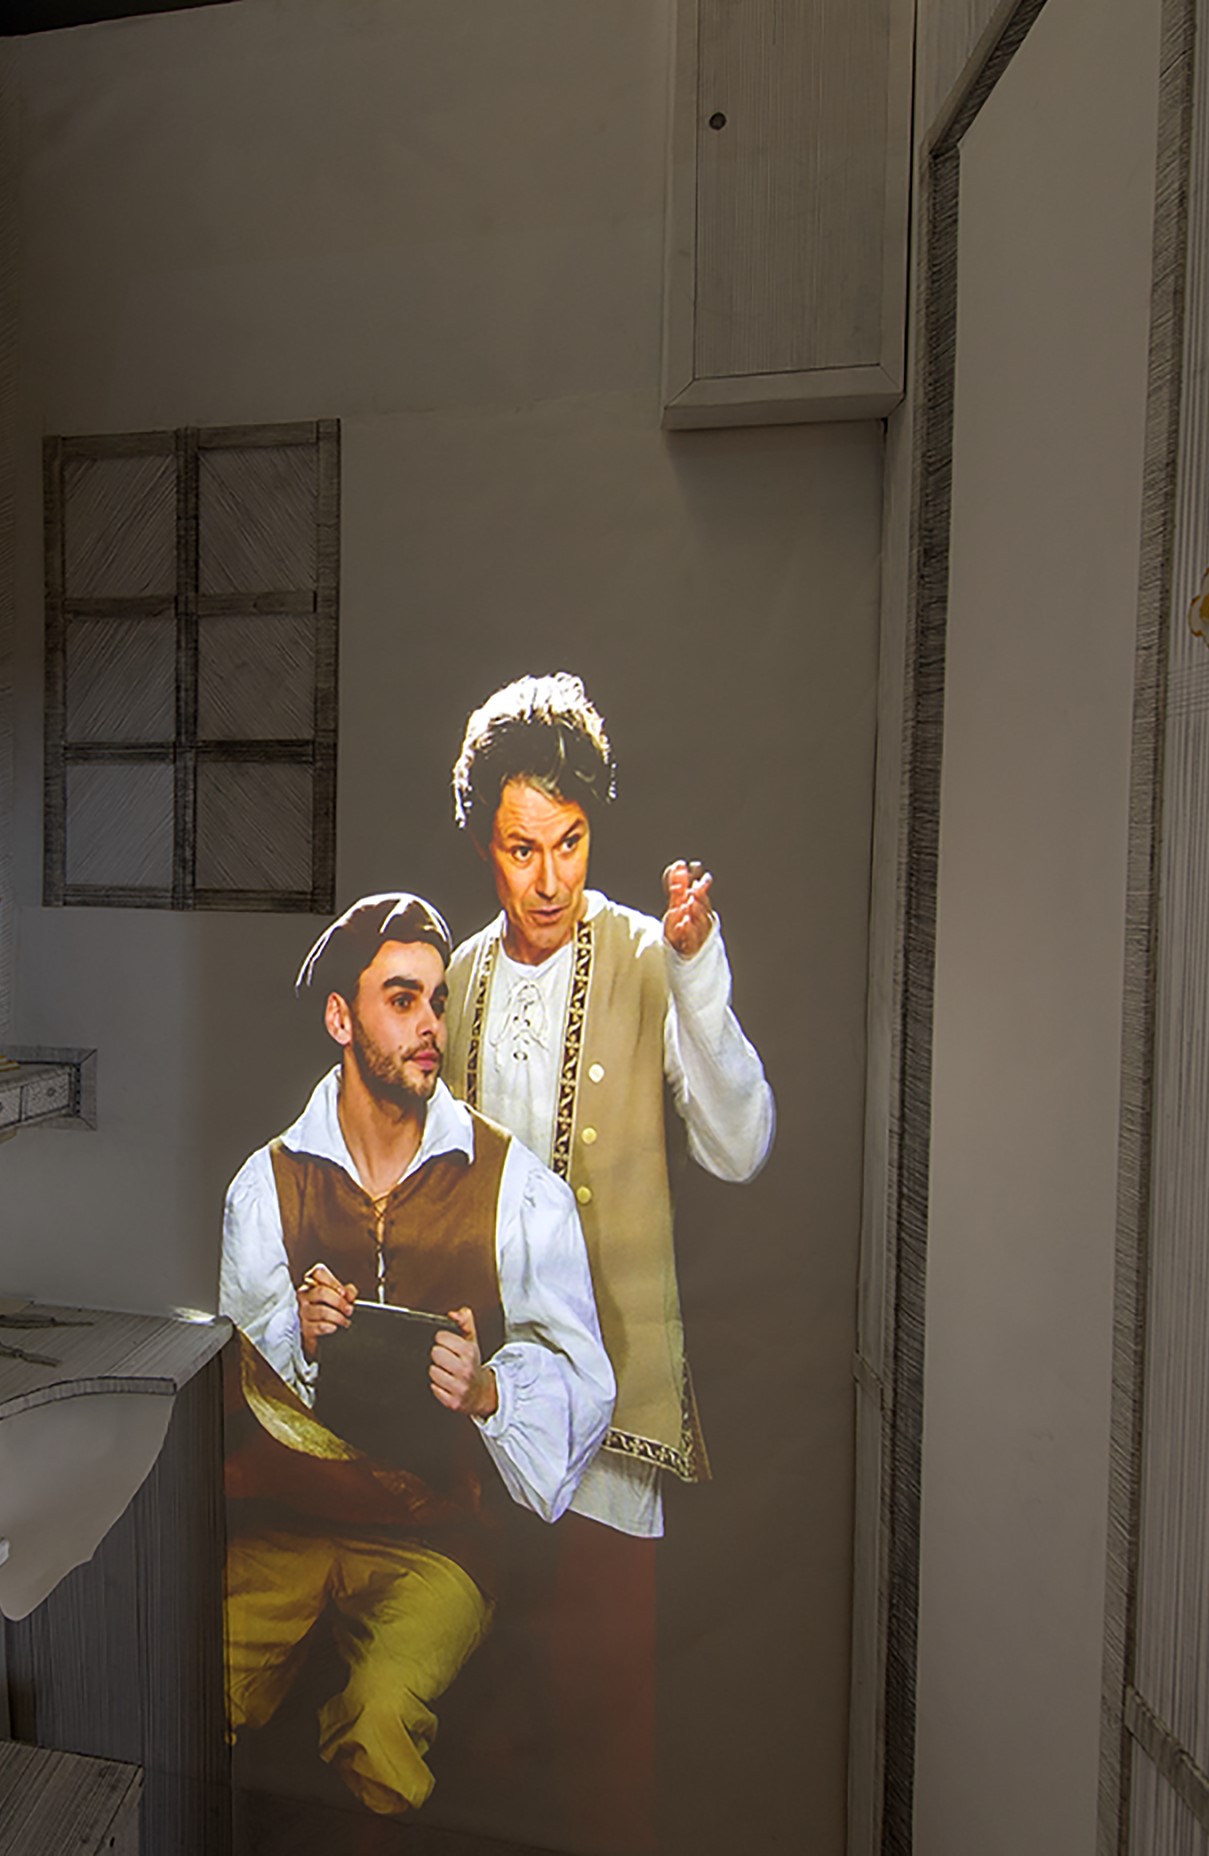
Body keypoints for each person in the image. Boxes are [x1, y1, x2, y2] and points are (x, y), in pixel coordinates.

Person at [440, 673, 775, 1848]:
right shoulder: (458, 978)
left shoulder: (651, 952)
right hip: (481, 1401)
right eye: (520, 848)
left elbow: (740, 1144)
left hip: (611, 1405)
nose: (548, 879)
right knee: (475, 1712)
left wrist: (698, 974)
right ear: (484, 843)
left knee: (603, 1716)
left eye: (570, 842)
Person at [219, 892, 614, 1819]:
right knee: (196, 1671)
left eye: (437, 1001)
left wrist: (487, 1392)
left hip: (441, 1538)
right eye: (402, 1000)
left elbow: (583, 1379)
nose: (431, 1024)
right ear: (341, 1019)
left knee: (379, 1711)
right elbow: (236, 1376)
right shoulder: (265, 1186)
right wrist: (295, 1333)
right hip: (286, 1525)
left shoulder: (518, 1188)